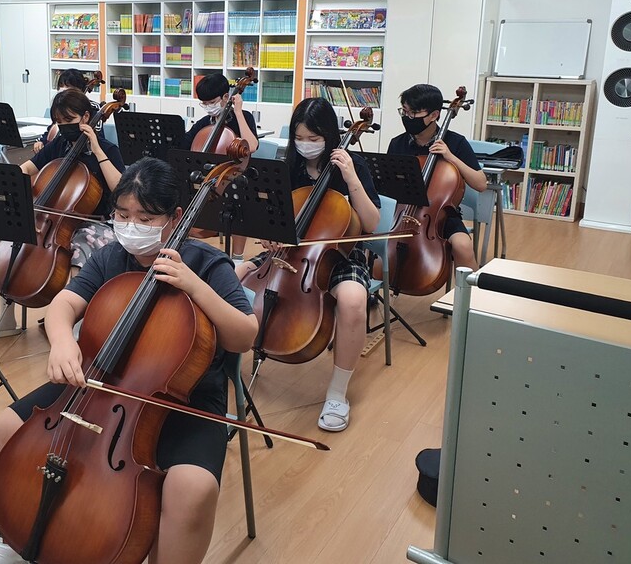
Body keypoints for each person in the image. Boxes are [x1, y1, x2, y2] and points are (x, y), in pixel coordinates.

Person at [0, 157, 258, 564]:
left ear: (175, 217)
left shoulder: (206, 263)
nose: (131, 226)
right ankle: (8, 539)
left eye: (145, 217)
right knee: (9, 424)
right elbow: (63, 305)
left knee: (192, 487)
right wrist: (61, 343)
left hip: (185, 399)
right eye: (123, 215)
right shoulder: (110, 257)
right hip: (101, 381)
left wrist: (194, 286)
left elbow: (244, 336)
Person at [235, 97, 381, 432]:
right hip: (289, 251)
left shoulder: (352, 165)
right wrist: (272, 235)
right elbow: (273, 218)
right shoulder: (289, 166)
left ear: (329, 136)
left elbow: (371, 222)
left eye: (314, 139)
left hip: (340, 253)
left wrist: (351, 177)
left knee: (353, 300)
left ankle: (337, 393)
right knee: (233, 273)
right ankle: (224, 364)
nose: (306, 145)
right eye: (300, 138)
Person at [0, 88, 125, 341]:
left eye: (69, 121)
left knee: (80, 251)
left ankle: (77, 326)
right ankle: (5, 319)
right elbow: (28, 168)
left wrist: (97, 150)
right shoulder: (59, 143)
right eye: (58, 122)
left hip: (97, 223)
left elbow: (122, 191)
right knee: (5, 244)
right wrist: (10, 183)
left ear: (86, 117)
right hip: (53, 220)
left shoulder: (108, 149)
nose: (63, 127)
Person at [386, 84, 487, 272]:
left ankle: (469, 299)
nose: (407, 118)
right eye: (404, 112)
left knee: (463, 245)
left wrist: (450, 157)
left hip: (441, 216)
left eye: (413, 113)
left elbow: (481, 184)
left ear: (433, 115)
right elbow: (388, 186)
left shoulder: (456, 142)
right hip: (402, 212)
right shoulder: (398, 144)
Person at [181, 72, 259, 259]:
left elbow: (252, 146)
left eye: (212, 102)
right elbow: (185, 149)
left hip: (237, 177)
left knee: (241, 198)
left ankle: (238, 257)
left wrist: (238, 111)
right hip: (209, 178)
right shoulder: (203, 124)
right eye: (204, 103)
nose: (208, 107)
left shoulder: (243, 117)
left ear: (226, 97)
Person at [32, 68, 100, 153]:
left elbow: (99, 137)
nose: (63, 91)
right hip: (59, 151)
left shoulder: (93, 108)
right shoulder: (60, 107)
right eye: (61, 87)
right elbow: (53, 127)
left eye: (68, 88)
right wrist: (41, 141)